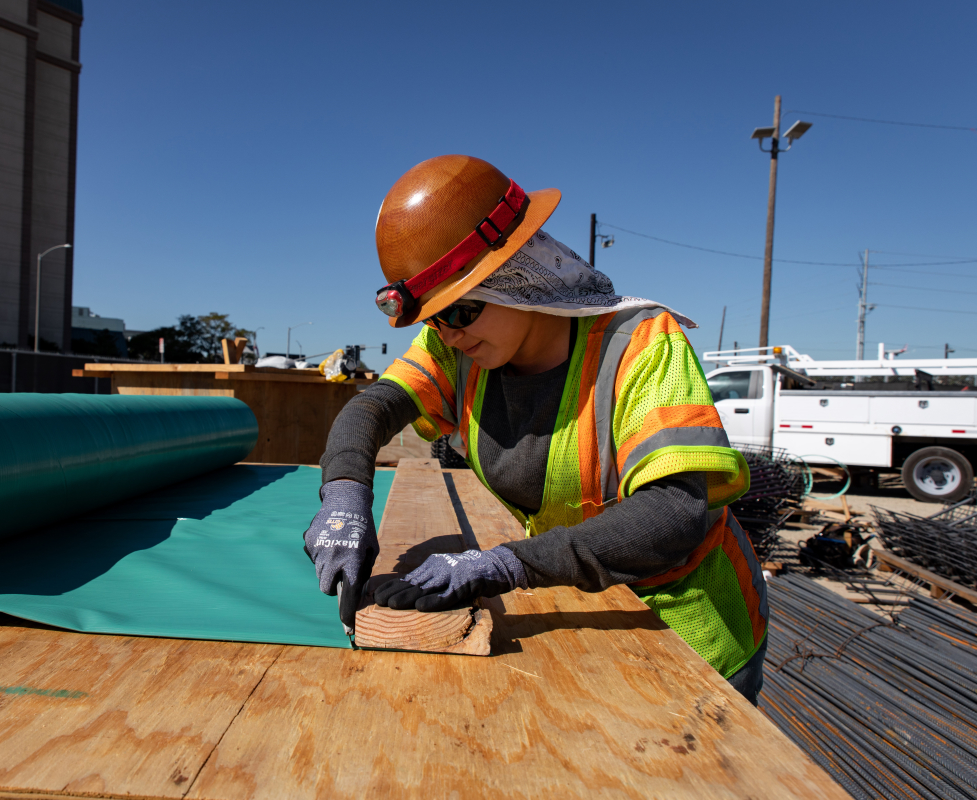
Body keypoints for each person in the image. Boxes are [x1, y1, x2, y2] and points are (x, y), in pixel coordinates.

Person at [303, 155, 767, 704]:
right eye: (433, 318)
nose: (446, 334)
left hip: (687, 638)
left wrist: (505, 564)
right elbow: (373, 407)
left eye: (460, 311)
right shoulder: (460, 347)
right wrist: (344, 496)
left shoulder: (640, 347)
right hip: (576, 611)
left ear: (517, 277)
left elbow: (674, 513)